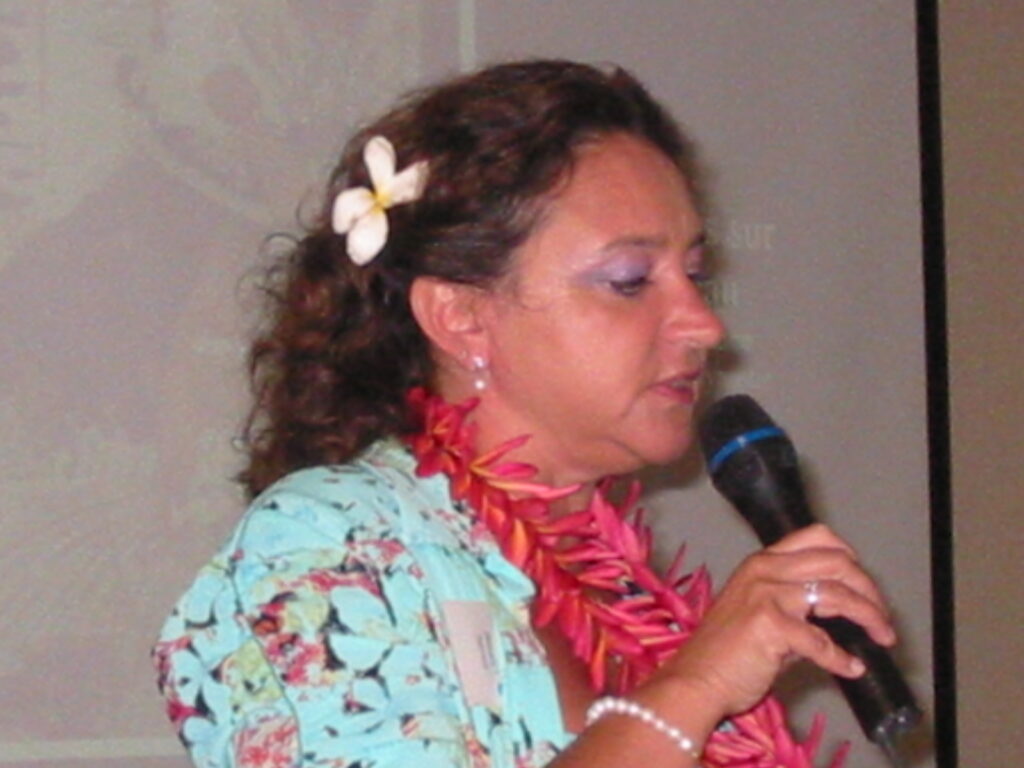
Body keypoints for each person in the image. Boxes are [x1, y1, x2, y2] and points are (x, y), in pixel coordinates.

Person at [153, 59, 896, 768]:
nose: (703, 324)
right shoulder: (328, 543)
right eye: (629, 280)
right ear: (461, 317)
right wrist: (696, 688)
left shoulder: (628, 595)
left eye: (694, 275)